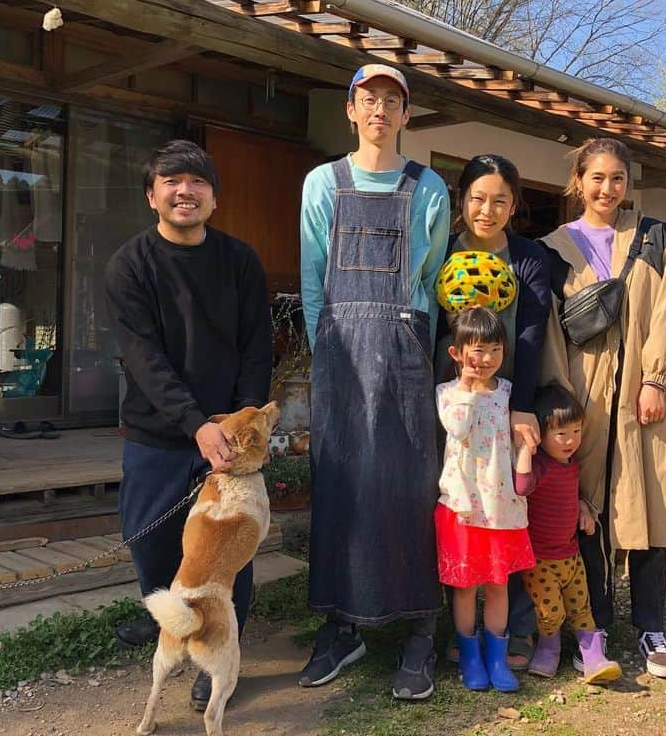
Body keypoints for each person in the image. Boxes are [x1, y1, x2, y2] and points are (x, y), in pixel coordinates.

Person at [538, 137, 666, 679]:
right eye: (597, 177)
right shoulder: (551, 249)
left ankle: (650, 626)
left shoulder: (652, 238)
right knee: (585, 510)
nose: (607, 188)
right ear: (579, 181)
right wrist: (557, 398)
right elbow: (549, 328)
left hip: (644, 396)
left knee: (650, 506)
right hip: (582, 400)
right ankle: (591, 628)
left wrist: (658, 379)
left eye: (618, 178)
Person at [299, 64, 451, 700]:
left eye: (393, 101)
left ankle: (421, 628)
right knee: (342, 486)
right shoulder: (322, 182)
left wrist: (414, 348)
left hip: (405, 355)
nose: (380, 111)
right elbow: (312, 276)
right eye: (369, 100)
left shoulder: (431, 188)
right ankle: (343, 623)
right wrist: (327, 350)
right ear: (351, 109)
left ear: (406, 115)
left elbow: (434, 285)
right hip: (339, 354)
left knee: (411, 483)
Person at [105, 139, 273, 710]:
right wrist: (195, 423)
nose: (185, 191)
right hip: (157, 433)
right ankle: (175, 630)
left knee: (228, 549)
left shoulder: (240, 261)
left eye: (197, 181)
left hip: (229, 440)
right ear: (153, 196)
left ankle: (219, 655)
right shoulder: (131, 264)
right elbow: (143, 357)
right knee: (151, 541)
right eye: (172, 182)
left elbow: (257, 348)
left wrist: (239, 426)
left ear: (214, 197)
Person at [435, 153, 551, 670]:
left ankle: (515, 631)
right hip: (454, 403)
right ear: (462, 201)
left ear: (514, 205)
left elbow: (530, 333)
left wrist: (521, 404)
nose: (488, 209)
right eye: (478, 198)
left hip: (505, 402)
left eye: (500, 200)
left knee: (508, 513)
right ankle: (453, 632)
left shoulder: (528, 257)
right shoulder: (440, 249)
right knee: (457, 509)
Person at [436, 307, 535, 692]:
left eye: (495, 350)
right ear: (457, 353)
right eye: (476, 351)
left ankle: (497, 658)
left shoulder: (510, 393)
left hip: (501, 508)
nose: (486, 359)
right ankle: (470, 657)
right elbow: (459, 428)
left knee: (498, 586)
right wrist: (468, 387)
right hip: (462, 507)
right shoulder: (447, 394)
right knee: (465, 586)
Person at [517, 383, 621, 683]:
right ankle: (548, 649)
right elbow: (522, 487)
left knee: (581, 607)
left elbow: (571, 495)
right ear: (542, 434)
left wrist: (583, 510)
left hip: (571, 555)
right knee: (550, 612)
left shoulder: (571, 465)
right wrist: (526, 447)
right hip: (541, 561)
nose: (571, 440)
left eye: (576, 431)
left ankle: (593, 657)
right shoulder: (540, 465)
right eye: (561, 434)